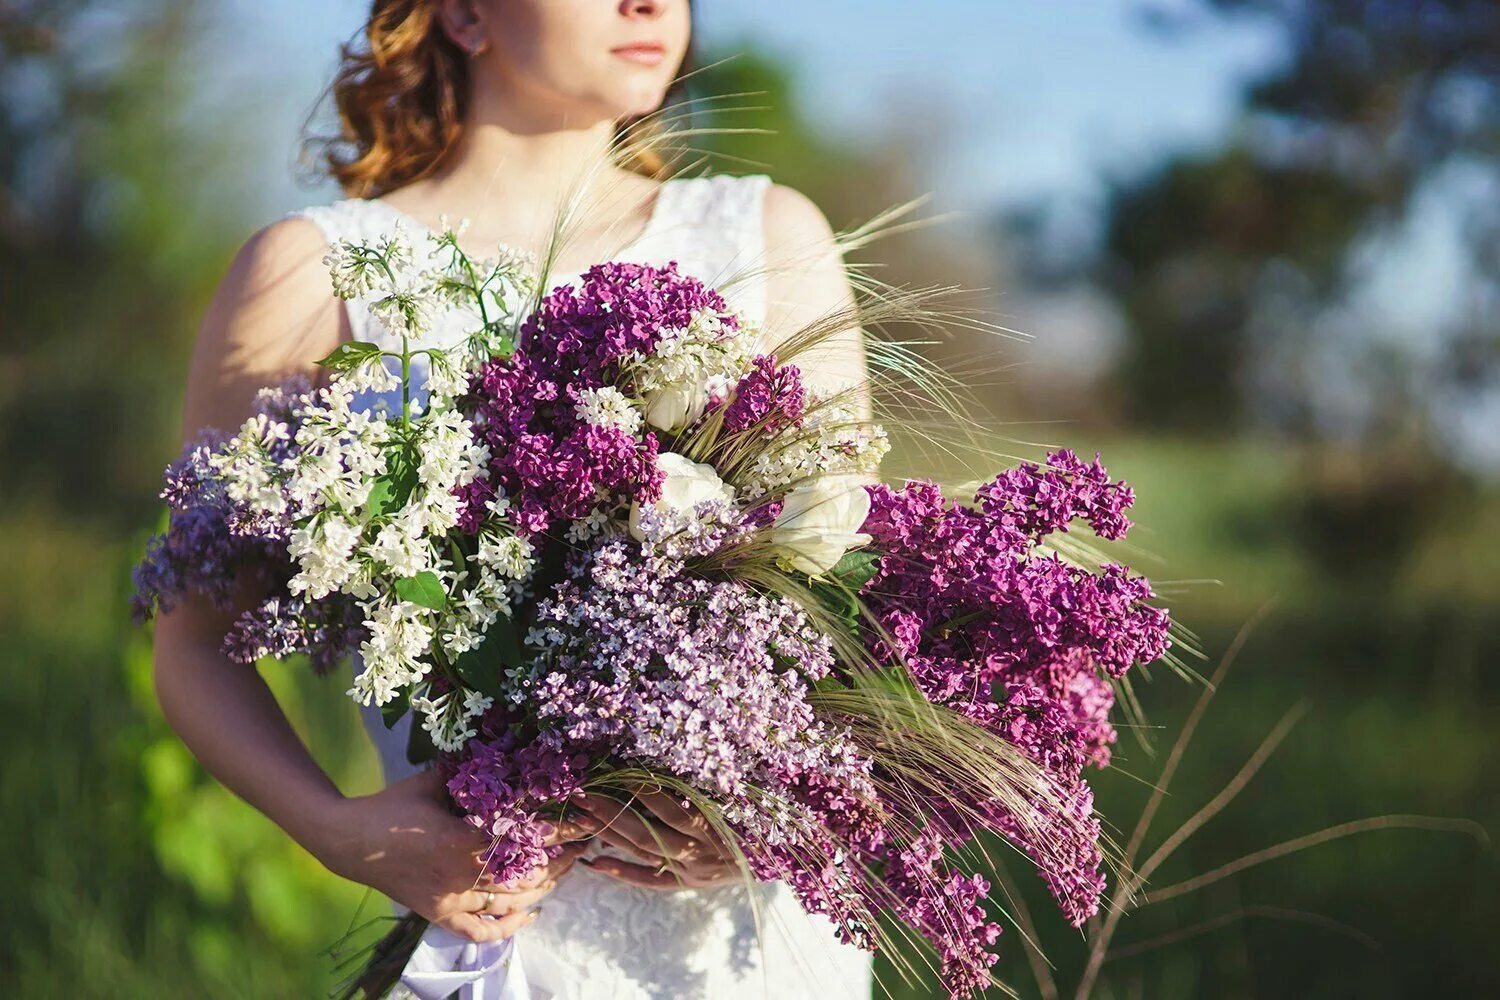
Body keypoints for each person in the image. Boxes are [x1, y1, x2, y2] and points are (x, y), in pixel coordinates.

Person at [151, 1, 873, 997]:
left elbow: (852, 603)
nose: (651, 3)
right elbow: (193, 644)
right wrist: (341, 830)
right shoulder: (313, 272)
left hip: (743, 939)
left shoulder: (767, 234)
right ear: (462, 12)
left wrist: (775, 814)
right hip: (487, 925)